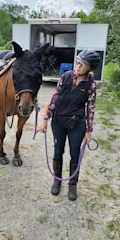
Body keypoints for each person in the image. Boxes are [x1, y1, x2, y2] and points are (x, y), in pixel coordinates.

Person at [39, 50, 100, 201]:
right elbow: (55, 98)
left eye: (82, 65)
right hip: (58, 122)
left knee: (74, 153)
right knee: (58, 151)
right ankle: (57, 180)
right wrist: (45, 119)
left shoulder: (91, 85)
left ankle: (72, 184)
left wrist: (89, 131)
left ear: (89, 69)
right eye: (77, 62)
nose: (77, 67)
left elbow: (90, 108)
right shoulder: (65, 77)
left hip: (77, 124)